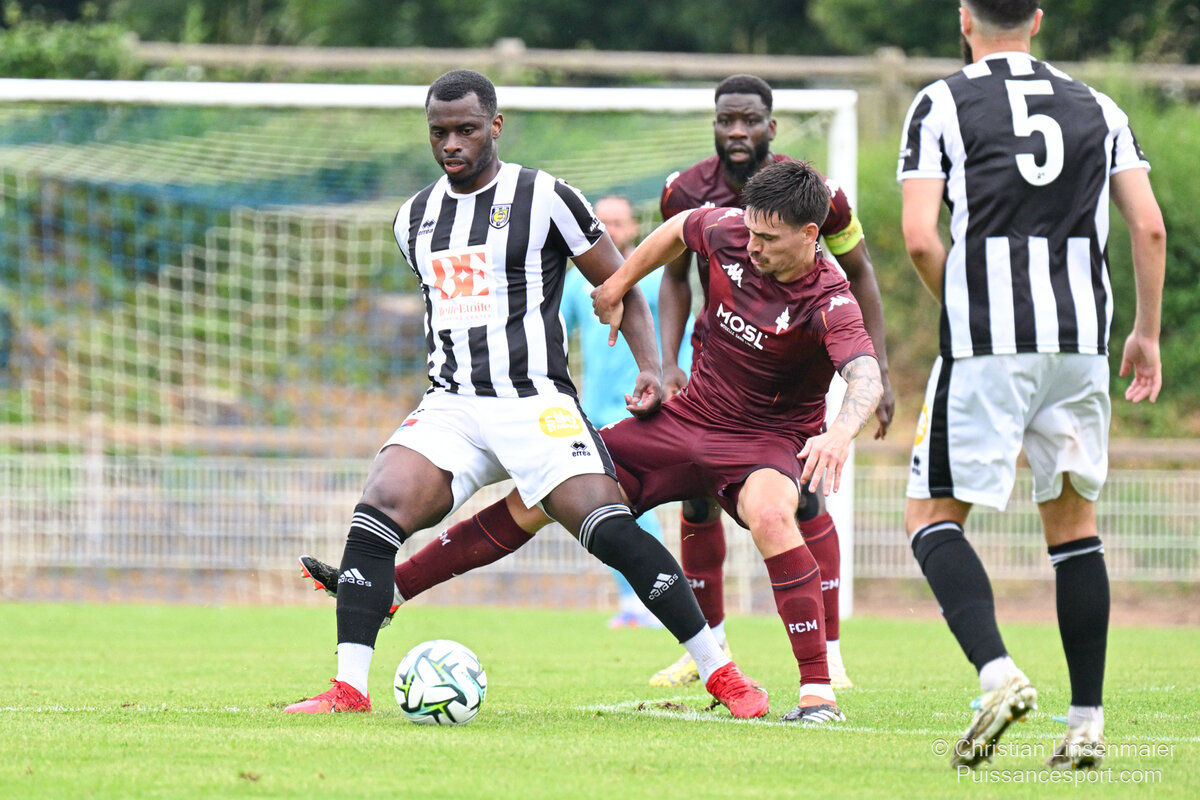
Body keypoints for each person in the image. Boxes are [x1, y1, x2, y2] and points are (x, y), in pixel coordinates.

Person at [302, 160, 884, 724]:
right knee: (545, 495)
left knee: (773, 517)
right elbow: (680, 229)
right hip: (687, 418)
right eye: (751, 232)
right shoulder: (731, 230)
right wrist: (619, 283)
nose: (753, 247)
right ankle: (396, 589)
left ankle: (817, 692)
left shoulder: (830, 301)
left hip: (764, 441)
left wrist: (839, 432)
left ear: (810, 235)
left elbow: (865, 375)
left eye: (769, 239)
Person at [285, 69, 769, 720]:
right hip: (452, 405)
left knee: (611, 528)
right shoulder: (413, 219)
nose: (451, 144)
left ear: (495, 126)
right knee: (376, 511)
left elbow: (620, 287)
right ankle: (349, 689)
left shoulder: (546, 198)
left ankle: (721, 673)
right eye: (439, 132)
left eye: (466, 130)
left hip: (535, 402)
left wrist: (651, 367)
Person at [897, 0, 1165, 769]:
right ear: (1038, 19)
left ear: (965, 18)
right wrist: (1144, 333)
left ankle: (998, 675)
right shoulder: (1098, 106)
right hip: (1079, 344)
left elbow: (920, 236)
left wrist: (963, 305)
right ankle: (1086, 724)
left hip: (989, 341)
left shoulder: (941, 101)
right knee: (1074, 527)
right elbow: (1149, 226)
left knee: (929, 514)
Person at [652, 73, 895, 691]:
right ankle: (708, 648)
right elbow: (674, 277)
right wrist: (666, 361)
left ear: (771, 125)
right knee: (696, 495)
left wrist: (880, 370)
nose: (737, 132)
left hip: (793, 372)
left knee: (804, 497)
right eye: (726, 120)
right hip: (717, 363)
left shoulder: (818, 195)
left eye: (750, 120)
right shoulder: (684, 191)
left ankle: (829, 652)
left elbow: (860, 272)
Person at [561, 194, 693, 629]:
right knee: (608, 508)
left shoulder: (652, 278)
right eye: (602, 222)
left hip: (647, 409)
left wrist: (678, 388)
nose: (609, 230)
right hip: (596, 412)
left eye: (617, 222)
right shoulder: (576, 284)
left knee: (632, 505)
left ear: (635, 227)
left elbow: (683, 335)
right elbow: (556, 330)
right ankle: (636, 599)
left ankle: (658, 597)